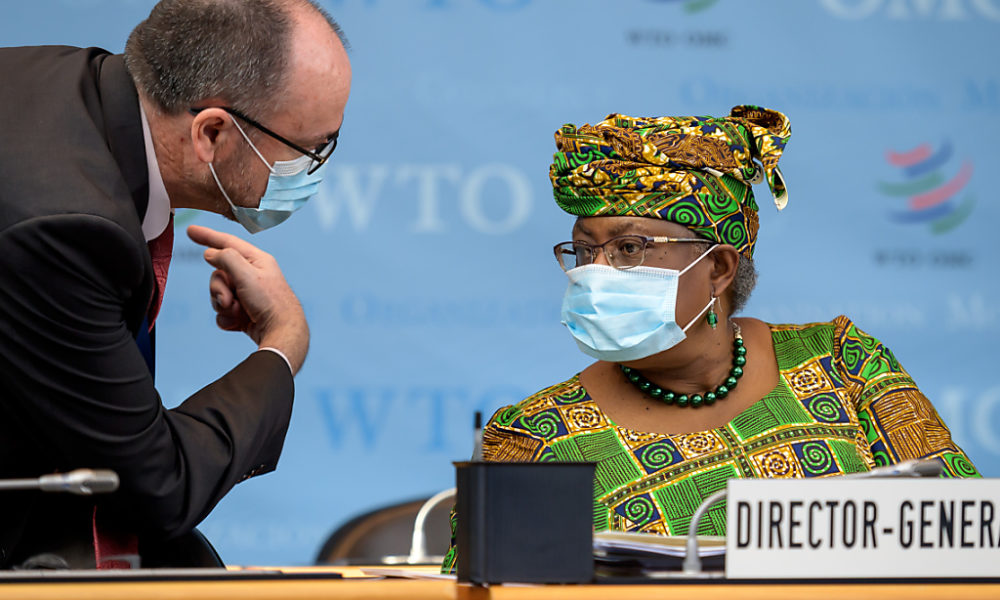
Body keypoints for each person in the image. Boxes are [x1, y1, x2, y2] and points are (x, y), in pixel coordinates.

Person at [442, 105, 978, 573]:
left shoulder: (844, 365)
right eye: (584, 251)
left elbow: (967, 541)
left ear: (718, 268)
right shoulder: (531, 442)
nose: (595, 272)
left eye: (628, 249)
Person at [0, 0, 351, 568]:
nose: (315, 168)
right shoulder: (64, 229)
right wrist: (283, 345)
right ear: (212, 132)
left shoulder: (72, 89)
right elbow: (154, 486)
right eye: (311, 148)